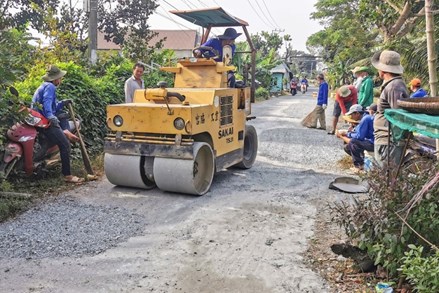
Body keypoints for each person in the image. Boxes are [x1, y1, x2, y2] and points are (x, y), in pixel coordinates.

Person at [31, 65, 83, 183]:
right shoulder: (50, 87)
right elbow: (47, 103)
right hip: (45, 121)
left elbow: (53, 105)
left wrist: (62, 103)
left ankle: (65, 132)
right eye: (60, 78)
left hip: (38, 120)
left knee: (62, 116)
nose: (60, 80)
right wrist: (50, 116)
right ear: (55, 79)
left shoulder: (43, 86)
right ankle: (67, 175)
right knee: (65, 145)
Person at [371, 50, 410, 168]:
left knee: (387, 178)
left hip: (389, 141)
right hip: (386, 140)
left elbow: (398, 115)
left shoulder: (394, 87)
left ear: (382, 71)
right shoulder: (392, 85)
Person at [336, 104, 375, 173]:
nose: (351, 117)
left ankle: (359, 166)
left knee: (353, 142)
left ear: (357, 113)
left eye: (352, 114)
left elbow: (359, 136)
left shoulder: (365, 119)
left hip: (372, 142)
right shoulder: (365, 117)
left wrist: (346, 134)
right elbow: (358, 132)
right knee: (348, 147)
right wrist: (348, 132)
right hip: (370, 141)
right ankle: (362, 160)